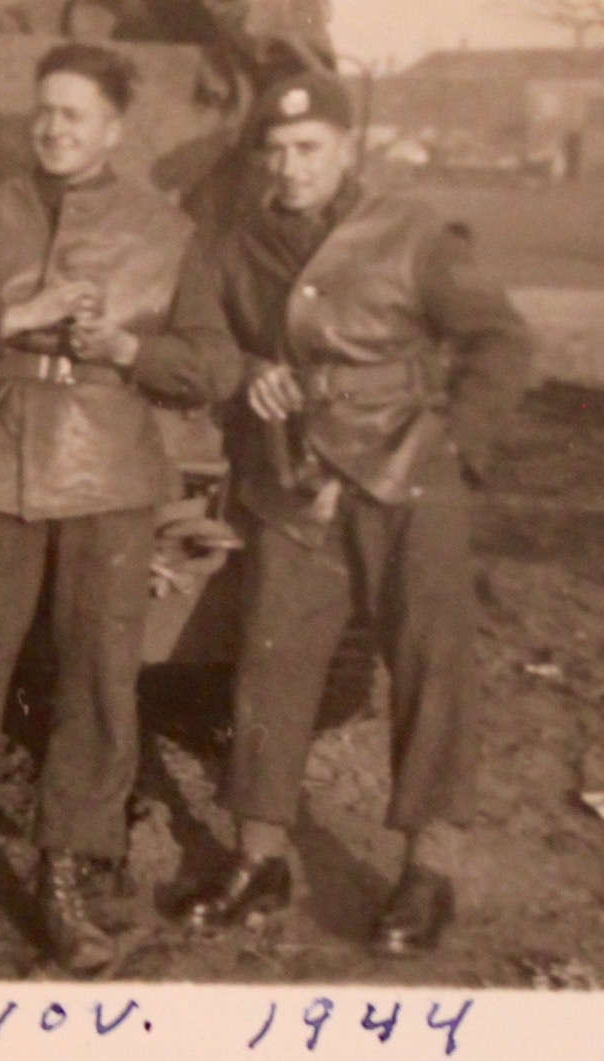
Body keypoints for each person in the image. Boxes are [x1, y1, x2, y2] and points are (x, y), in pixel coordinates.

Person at [0, 42, 243, 977]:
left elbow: (214, 364)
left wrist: (129, 348)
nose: (54, 128)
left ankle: (68, 876)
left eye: (75, 114)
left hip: (110, 478)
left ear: (114, 129)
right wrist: (9, 318)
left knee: (99, 685)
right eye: (46, 111)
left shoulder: (165, 232)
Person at [177, 72, 533, 955]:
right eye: (275, 151)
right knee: (271, 661)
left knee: (429, 662)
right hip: (295, 479)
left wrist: (457, 445)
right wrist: (247, 371)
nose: (291, 167)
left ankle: (428, 869)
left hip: (407, 476)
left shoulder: (410, 232)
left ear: (346, 149)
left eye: (310, 149)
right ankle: (259, 857)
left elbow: (500, 340)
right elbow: (204, 338)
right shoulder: (233, 245)